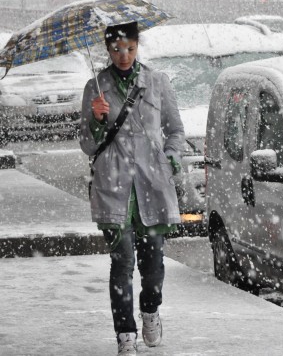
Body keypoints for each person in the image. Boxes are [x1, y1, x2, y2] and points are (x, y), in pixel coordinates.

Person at [79, 22, 184, 355]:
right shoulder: (95, 88)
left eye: (130, 48)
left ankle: (150, 310)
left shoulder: (156, 83)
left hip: (152, 185)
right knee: (122, 262)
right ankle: (125, 333)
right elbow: (86, 143)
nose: (123, 56)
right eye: (116, 49)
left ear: (138, 47)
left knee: (152, 265)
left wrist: (172, 156)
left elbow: (175, 131)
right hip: (114, 187)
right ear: (107, 50)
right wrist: (96, 120)